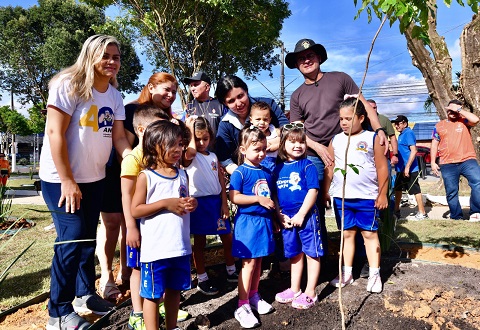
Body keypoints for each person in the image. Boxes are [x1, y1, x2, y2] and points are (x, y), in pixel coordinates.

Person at [40, 34, 131, 330]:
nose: (112, 62)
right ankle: (59, 313)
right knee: (71, 240)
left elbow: (118, 137)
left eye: (116, 57)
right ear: (90, 55)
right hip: (61, 179)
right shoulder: (68, 85)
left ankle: (83, 294)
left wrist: (134, 163)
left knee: (86, 240)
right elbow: (55, 133)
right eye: (106, 55)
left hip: (95, 178)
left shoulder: (114, 96)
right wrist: (67, 179)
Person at [286, 38, 387, 257]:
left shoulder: (340, 79)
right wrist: (319, 148)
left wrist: (379, 130)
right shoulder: (296, 96)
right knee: (315, 205)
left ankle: (357, 260)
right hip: (312, 154)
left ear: (319, 58)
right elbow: (297, 130)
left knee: (351, 201)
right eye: (301, 58)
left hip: (344, 150)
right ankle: (319, 257)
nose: (306, 60)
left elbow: (364, 106)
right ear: (296, 64)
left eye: (310, 55)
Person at [131, 120, 197, 330]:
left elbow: (182, 201)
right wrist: (165, 204)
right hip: (156, 251)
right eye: (172, 145)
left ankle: (171, 327)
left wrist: (191, 203)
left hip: (180, 247)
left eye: (180, 144)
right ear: (153, 146)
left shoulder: (182, 174)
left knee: (175, 290)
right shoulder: (146, 177)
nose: (178, 149)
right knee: (152, 295)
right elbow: (136, 209)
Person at [323, 97, 389, 293]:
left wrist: (382, 194)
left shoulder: (371, 138)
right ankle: (347, 272)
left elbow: (381, 167)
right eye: (341, 119)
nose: (344, 123)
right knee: (347, 234)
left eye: (348, 118)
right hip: (342, 197)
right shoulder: (335, 140)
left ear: (361, 118)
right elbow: (330, 166)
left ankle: (375, 274)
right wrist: (327, 190)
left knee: (369, 234)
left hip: (367, 197)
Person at [120, 105, 176, 330]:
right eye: (158, 128)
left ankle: (158, 305)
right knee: (137, 268)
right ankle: (138, 312)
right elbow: (126, 196)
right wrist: (131, 228)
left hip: (158, 227)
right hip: (140, 226)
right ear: (142, 130)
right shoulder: (133, 158)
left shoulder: (162, 156)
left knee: (158, 267)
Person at [182, 116, 238, 296]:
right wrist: (189, 129)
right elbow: (190, 152)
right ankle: (202, 278)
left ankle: (231, 270)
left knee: (226, 237)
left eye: (205, 138)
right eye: (197, 138)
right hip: (199, 205)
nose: (201, 143)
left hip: (215, 203)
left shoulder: (213, 156)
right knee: (199, 242)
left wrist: (224, 202)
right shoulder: (189, 155)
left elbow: (221, 180)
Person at [229, 126, 276, 328]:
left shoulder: (266, 171)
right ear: (243, 149)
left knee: (258, 263)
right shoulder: (240, 172)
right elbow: (234, 197)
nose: (262, 153)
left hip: (263, 222)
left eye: (264, 149)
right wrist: (258, 199)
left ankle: (254, 295)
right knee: (248, 264)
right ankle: (242, 304)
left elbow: (271, 197)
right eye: (256, 149)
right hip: (247, 223)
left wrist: (274, 218)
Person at [273, 123, 323, 309]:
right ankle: (295, 288)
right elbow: (275, 195)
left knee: (312, 253)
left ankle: (310, 291)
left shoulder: (307, 165)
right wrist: (279, 214)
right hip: (287, 219)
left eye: (301, 141)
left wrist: (302, 214)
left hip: (307, 217)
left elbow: (313, 191)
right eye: (292, 141)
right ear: (283, 144)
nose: (298, 145)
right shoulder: (277, 168)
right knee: (294, 255)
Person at [215, 75, 289, 174]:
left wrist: (278, 142)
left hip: (281, 172)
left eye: (240, 96)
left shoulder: (268, 105)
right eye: (231, 101)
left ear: (246, 91)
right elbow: (224, 157)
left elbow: (289, 131)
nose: (238, 103)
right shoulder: (225, 125)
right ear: (224, 103)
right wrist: (242, 174)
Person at [431, 99, 480, 221]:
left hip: (467, 160)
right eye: (450, 110)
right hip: (447, 163)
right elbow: (434, 144)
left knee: (478, 183)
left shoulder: (464, 121)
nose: (452, 112)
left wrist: (459, 110)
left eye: (455, 110)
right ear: (447, 110)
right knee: (451, 191)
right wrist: (432, 162)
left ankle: (475, 212)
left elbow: (476, 120)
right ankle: (456, 216)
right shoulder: (439, 126)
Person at [391, 115, 428, 220]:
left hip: (410, 169)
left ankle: (422, 213)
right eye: (395, 124)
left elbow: (414, 150)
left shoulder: (409, 133)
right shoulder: (401, 135)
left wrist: (407, 167)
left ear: (405, 123)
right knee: (398, 189)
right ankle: (396, 211)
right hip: (400, 169)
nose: (396, 125)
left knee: (415, 189)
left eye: (398, 123)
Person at [248, 101, 280, 172]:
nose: (262, 122)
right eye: (258, 119)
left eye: (265, 119)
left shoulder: (274, 131)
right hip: (255, 166)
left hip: (273, 166)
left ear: (270, 120)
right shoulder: (250, 132)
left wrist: (278, 144)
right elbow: (266, 146)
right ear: (251, 120)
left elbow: (286, 139)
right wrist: (274, 145)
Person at [367, 99, 399, 166]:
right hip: (367, 157)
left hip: (383, 156)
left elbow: (392, 137)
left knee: (385, 176)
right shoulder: (361, 120)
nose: (373, 110)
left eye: (374, 108)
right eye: (370, 108)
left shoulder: (384, 120)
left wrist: (395, 154)